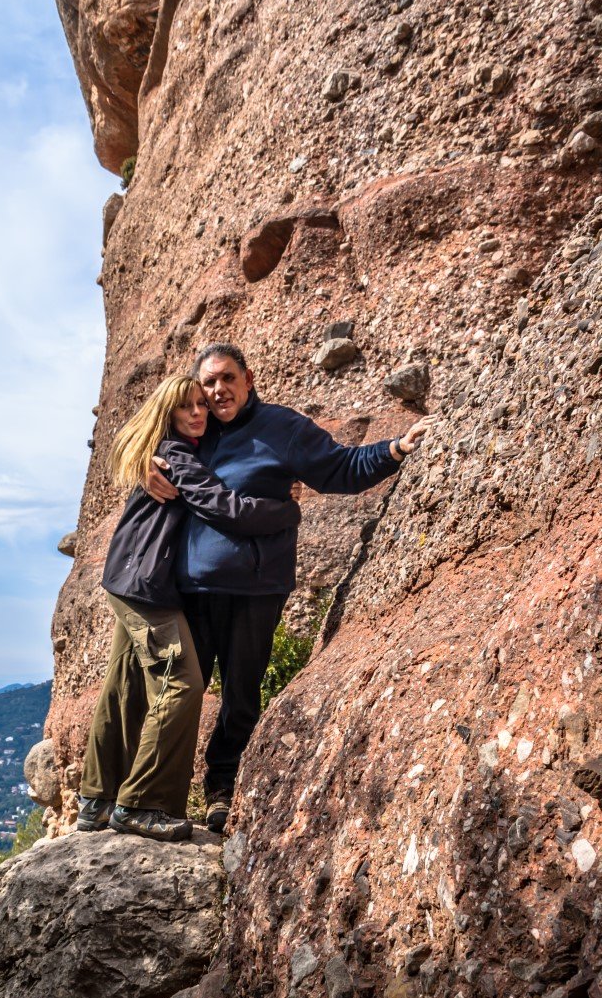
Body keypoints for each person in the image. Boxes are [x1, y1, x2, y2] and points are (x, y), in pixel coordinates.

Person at [146, 343, 431, 832]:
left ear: (248, 379)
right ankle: (155, 797)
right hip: (192, 588)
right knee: (179, 691)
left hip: (257, 586)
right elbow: (138, 443)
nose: (218, 390)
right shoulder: (192, 430)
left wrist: (395, 449)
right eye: (209, 382)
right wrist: (143, 466)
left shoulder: (281, 427)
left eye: (227, 378)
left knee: (241, 691)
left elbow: (339, 468)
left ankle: (221, 789)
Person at [76, 374, 301, 841]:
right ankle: (142, 803)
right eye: (186, 406)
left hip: (129, 577)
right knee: (181, 682)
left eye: (201, 404)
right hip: (144, 584)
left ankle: (97, 801)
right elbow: (224, 507)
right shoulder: (175, 454)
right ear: (168, 412)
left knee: (125, 687)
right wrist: (286, 510)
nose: (198, 412)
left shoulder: (172, 448)